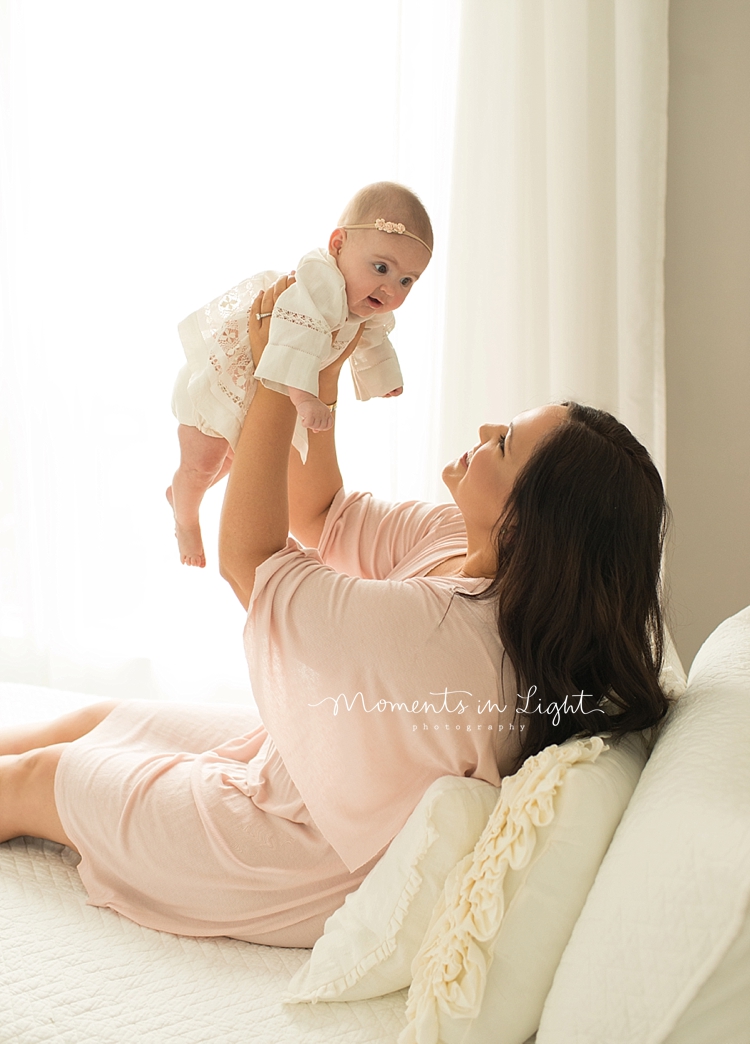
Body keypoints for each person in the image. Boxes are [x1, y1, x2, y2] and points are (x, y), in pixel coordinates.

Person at [0, 277, 670, 948]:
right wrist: (317, 364)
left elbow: (251, 561)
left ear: (531, 522)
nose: (486, 429)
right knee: (94, 721)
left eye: (504, 444)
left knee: (38, 777)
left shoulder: (449, 637)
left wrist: (273, 373)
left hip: (287, 852)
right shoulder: (459, 543)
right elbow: (323, 513)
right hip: (289, 769)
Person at [167, 181, 433, 567]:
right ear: (338, 244)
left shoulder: (365, 303)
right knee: (203, 461)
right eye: (381, 268)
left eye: (406, 280)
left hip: (256, 396)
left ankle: (190, 493)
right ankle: (184, 513)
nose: (390, 288)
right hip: (224, 382)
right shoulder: (319, 284)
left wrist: (383, 379)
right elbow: (297, 338)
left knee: (230, 462)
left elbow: (372, 339)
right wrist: (305, 398)